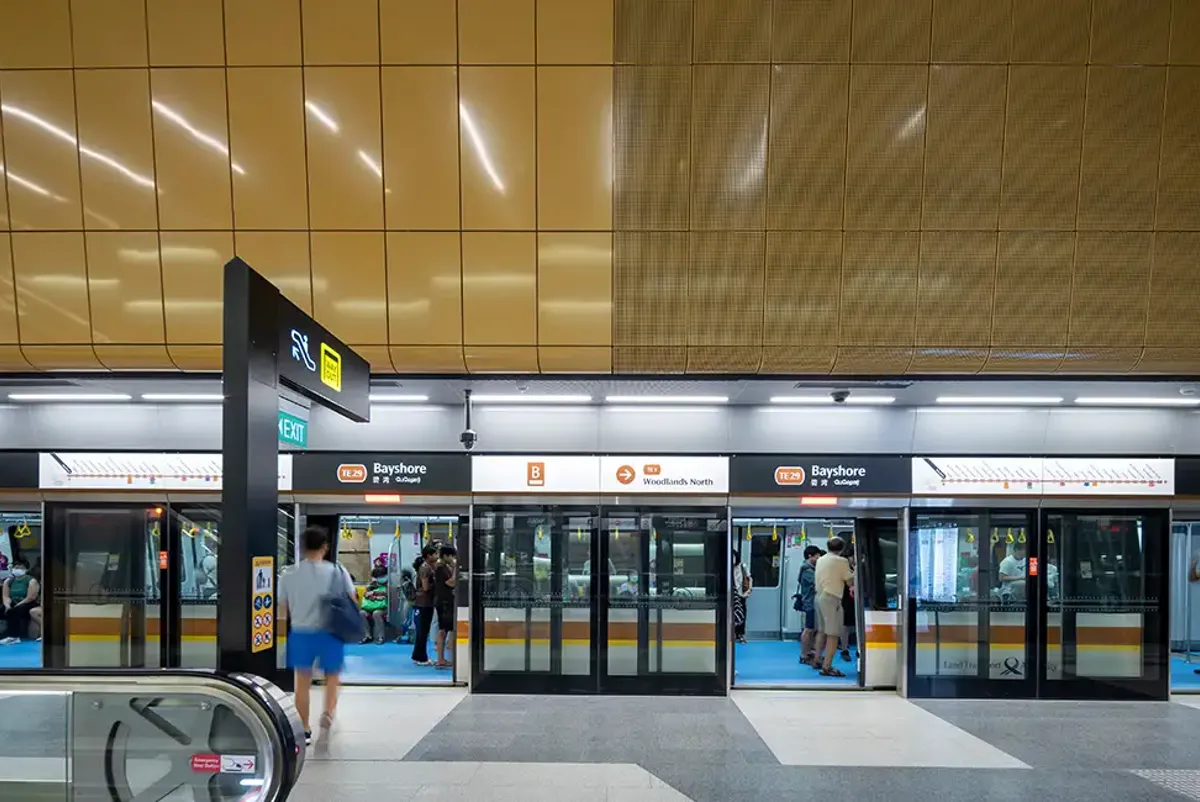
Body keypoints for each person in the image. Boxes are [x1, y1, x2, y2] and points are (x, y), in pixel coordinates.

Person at [278, 526, 356, 746]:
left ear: (302, 547)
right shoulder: (337, 572)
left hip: (301, 633)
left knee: (302, 682)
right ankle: (328, 713)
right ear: (325, 547)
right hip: (330, 633)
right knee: (332, 676)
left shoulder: (288, 574)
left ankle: (304, 728)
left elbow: (282, 608)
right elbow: (353, 601)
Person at [813, 537, 853, 677]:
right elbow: (849, 580)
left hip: (819, 597)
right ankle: (827, 667)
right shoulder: (842, 561)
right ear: (842, 549)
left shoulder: (821, 560)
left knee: (822, 631)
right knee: (833, 634)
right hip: (832, 598)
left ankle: (817, 659)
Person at [1, 557, 38, 645]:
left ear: (27, 569)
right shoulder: (8, 581)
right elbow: (5, 596)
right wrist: (7, 605)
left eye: (20, 568)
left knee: (14, 611)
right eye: (16, 567)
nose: (17, 569)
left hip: (27, 603)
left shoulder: (31, 581)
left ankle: (14, 637)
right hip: (13, 601)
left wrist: (16, 606)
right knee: (5, 609)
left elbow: (30, 597)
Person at [411, 545, 438, 666]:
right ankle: (420, 658)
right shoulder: (425, 569)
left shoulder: (429, 568)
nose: (436, 556)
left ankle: (420, 656)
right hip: (422, 604)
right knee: (421, 632)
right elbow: (426, 587)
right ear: (428, 556)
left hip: (427, 603)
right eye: (434, 554)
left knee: (424, 631)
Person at [433, 545, 458, 669]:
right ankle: (440, 660)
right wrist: (456, 569)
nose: (453, 558)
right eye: (451, 556)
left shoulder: (444, 568)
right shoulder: (440, 569)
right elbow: (451, 582)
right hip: (444, 603)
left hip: (446, 601)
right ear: (445, 556)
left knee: (446, 630)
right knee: (443, 631)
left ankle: (442, 659)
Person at [796, 545, 820, 665]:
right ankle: (804, 654)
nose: (819, 558)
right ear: (810, 556)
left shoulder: (808, 568)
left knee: (813, 629)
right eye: (817, 556)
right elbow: (818, 584)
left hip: (812, 603)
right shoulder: (807, 570)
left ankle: (809, 652)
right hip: (810, 603)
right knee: (808, 629)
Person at [359, 566, 389, 645]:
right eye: (377, 577)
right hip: (371, 606)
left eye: (381, 576)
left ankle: (380, 636)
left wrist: (375, 593)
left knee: (376, 613)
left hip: (385, 607)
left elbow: (388, 594)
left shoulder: (390, 585)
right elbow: (365, 594)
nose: (379, 578)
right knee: (362, 613)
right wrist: (371, 595)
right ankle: (367, 636)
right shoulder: (372, 585)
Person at [732, 549, 751, 644]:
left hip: (740, 594)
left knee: (741, 614)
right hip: (730, 594)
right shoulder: (726, 567)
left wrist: (748, 591)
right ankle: (732, 633)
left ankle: (740, 634)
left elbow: (749, 578)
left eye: (734, 557)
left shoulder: (742, 566)